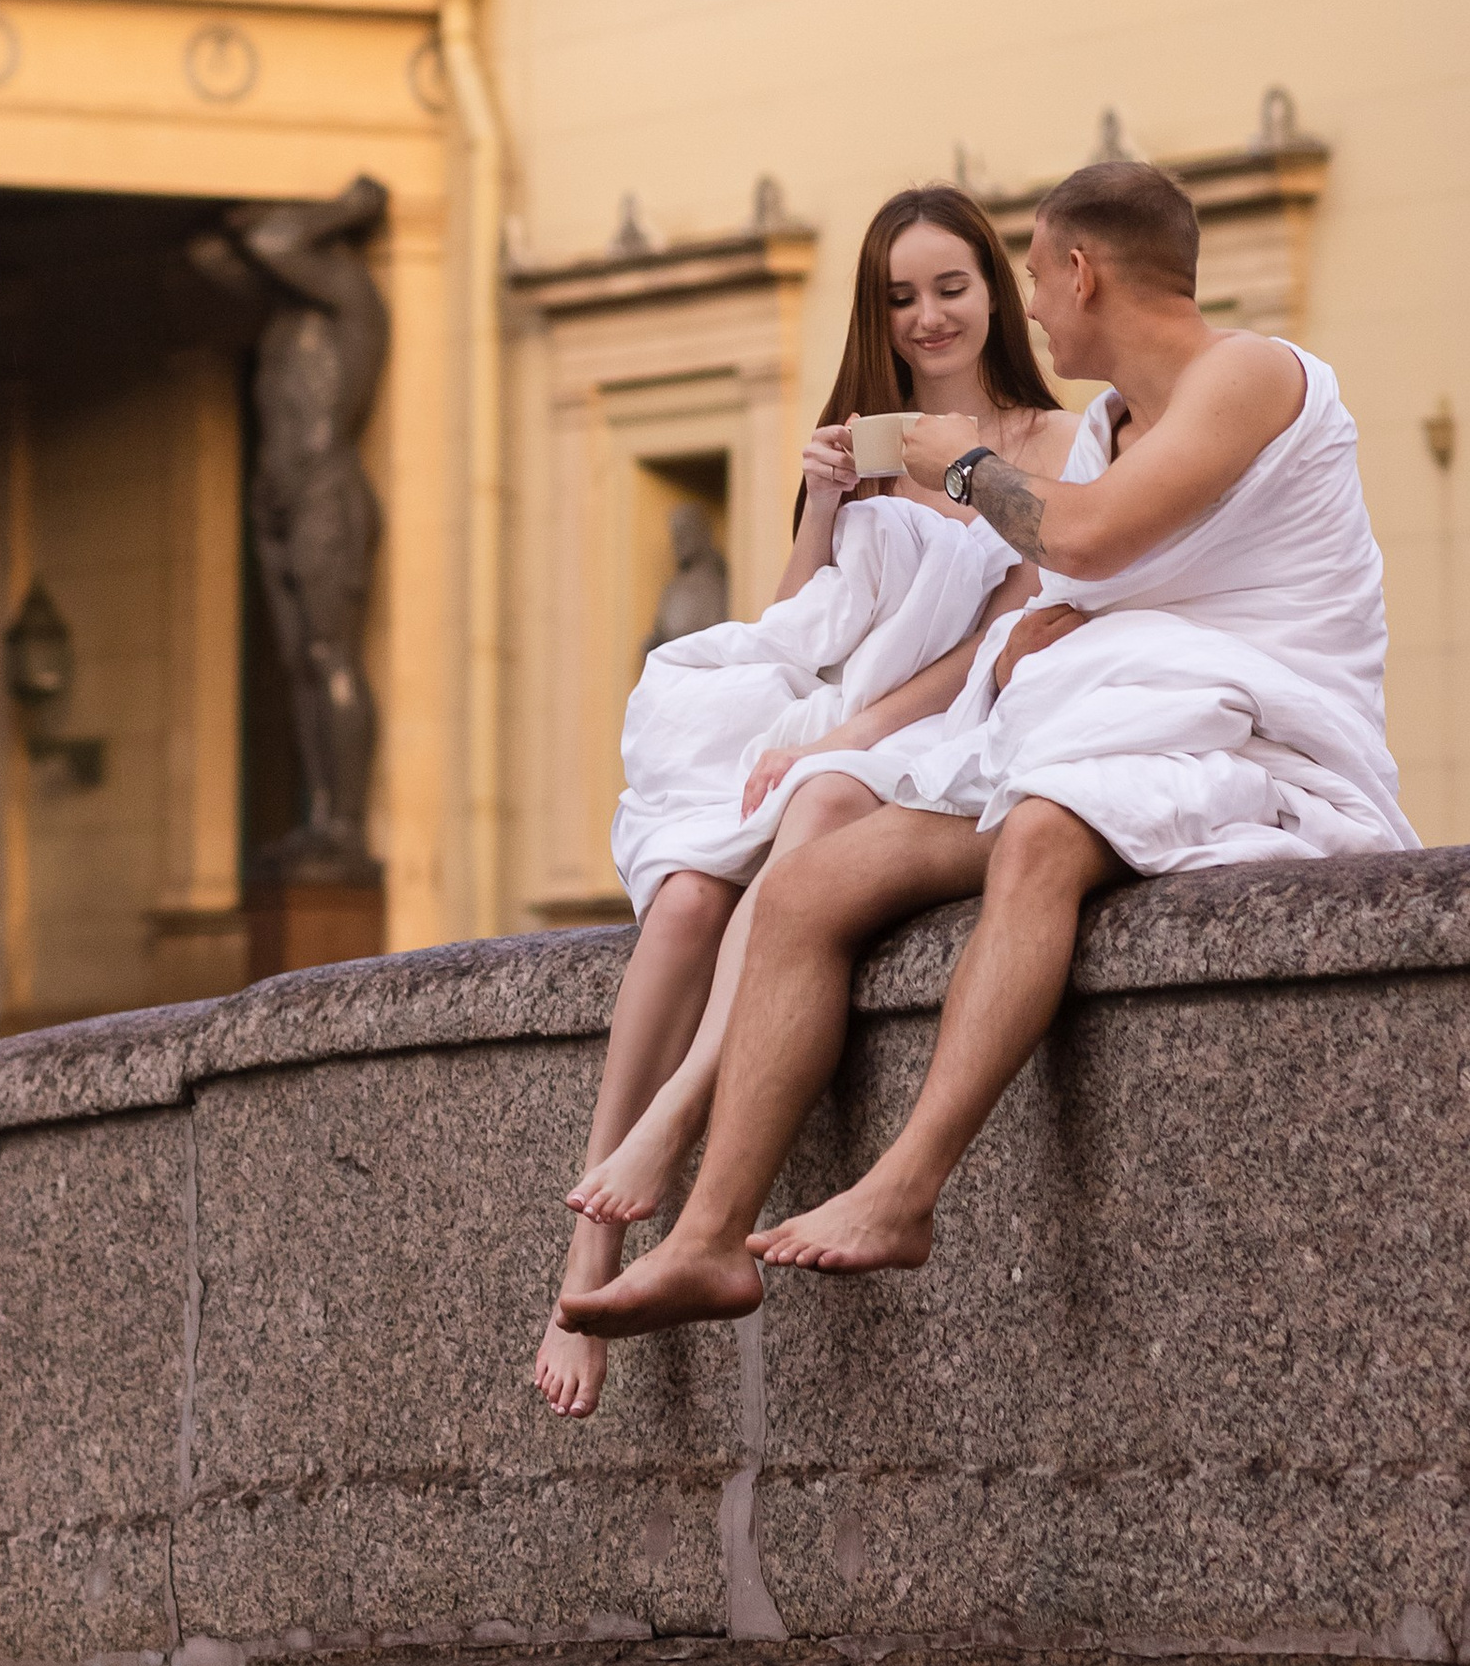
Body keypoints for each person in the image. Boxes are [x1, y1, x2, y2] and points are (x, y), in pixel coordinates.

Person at [562, 159, 1414, 1343]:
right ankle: (708, 1241)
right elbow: (1089, 575)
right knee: (810, 886)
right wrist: (1048, 624)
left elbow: (1097, 536)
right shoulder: (1115, 427)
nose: (1032, 306)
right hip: (1126, 716)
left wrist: (949, 461)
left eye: (1029, 275)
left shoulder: (1251, 372)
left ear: (1080, 270)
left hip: (1258, 732)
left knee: (1046, 830)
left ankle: (905, 1190)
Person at [534, 184, 1077, 1415]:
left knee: (821, 802)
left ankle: (674, 1121)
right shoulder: (865, 441)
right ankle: (584, 1260)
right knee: (680, 907)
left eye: (951, 286)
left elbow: (1006, 626)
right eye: (900, 297)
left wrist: (847, 736)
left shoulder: (1052, 443)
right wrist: (826, 504)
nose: (929, 316)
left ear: (995, 289)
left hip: (940, 719)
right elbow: (802, 623)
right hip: (830, 705)